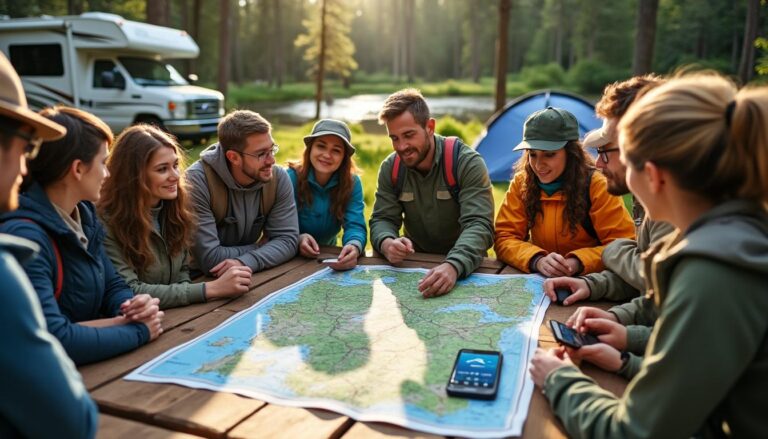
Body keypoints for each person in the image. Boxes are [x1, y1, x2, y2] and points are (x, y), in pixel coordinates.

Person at [530, 73, 768, 438]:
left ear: (653, 176)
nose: (597, 164)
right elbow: (680, 330)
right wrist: (626, 345)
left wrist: (559, 380)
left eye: (618, 152)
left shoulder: (716, 271)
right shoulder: (737, 234)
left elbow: (634, 432)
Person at [0, 106, 164, 366]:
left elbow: (113, 285)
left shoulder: (84, 215)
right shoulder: (25, 236)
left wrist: (132, 306)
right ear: (78, 169)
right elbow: (55, 337)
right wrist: (140, 329)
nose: (107, 174)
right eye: (103, 163)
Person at [541, 76, 675, 379]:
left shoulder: (691, 223)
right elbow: (659, 299)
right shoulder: (652, 205)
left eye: (606, 152)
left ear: (643, 149)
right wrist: (596, 290)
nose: (599, 165)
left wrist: (561, 380)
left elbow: (683, 359)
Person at [0, 53, 98, 438]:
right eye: (27, 147)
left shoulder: (87, 219)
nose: (26, 168)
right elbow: (74, 424)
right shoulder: (5, 274)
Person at [99, 125, 253, 309]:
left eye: (175, 165)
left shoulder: (176, 208)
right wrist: (210, 289)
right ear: (134, 176)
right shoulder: (107, 221)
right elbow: (129, 290)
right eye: (162, 169)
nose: (175, 176)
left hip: (173, 314)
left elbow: (182, 271)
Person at [369, 89, 495, 297]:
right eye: (394, 138)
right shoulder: (391, 168)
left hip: (466, 269)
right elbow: (382, 219)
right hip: (415, 269)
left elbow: (479, 225)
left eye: (409, 135)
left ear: (430, 127)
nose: (402, 146)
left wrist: (453, 266)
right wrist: (387, 242)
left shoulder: (467, 162)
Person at [494, 107, 635, 277]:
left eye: (549, 155)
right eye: (532, 154)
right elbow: (504, 237)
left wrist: (577, 262)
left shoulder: (597, 185)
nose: (539, 165)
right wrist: (537, 260)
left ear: (571, 153)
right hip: (540, 282)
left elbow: (623, 245)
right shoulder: (521, 183)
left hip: (591, 282)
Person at [186, 110, 299, 277]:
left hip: (249, 273)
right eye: (261, 154)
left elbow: (288, 241)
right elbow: (210, 259)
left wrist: (245, 261)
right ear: (233, 157)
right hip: (196, 280)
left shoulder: (277, 178)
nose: (271, 161)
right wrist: (264, 246)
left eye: (272, 149)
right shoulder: (196, 182)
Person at [287, 119, 366, 271]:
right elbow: (278, 226)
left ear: (344, 157)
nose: (327, 155)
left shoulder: (352, 183)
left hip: (327, 258)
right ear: (310, 149)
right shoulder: (290, 178)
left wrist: (354, 245)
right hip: (289, 256)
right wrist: (298, 238)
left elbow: (355, 225)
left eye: (336, 150)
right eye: (321, 146)